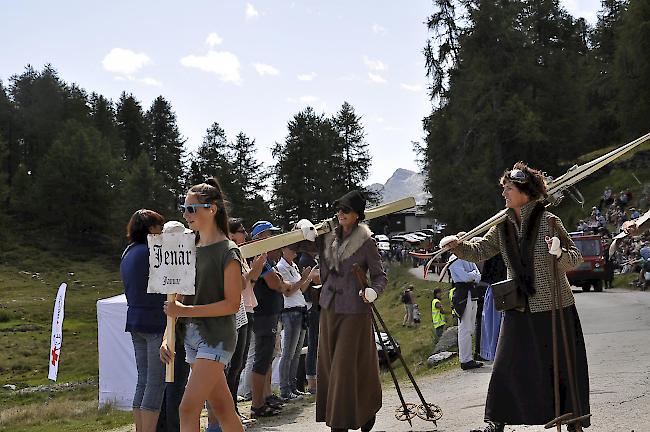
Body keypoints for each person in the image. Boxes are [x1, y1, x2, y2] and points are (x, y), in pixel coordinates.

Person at [440, 162, 589, 432]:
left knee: (561, 365)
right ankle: (496, 421)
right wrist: (458, 246)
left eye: (509, 188)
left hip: (554, 305)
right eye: (504, 188)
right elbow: (480, 251)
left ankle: (573, 418)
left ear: (524, 191)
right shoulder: (501, 225)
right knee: (506, 363)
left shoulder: (550, 222)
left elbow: (575, 259)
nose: (504, 193)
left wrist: (558, 253)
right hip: (518, 305)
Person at [160, 178, 244, 432]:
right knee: (223, 409)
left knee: (188, 407)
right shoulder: (190, 249)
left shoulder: (228, 251)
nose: (186, 214)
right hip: (193, 337)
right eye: (183, 208)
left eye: (191, 208)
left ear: (212, 209)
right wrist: (168, 336)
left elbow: (232, 304)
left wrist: (185, 312)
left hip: (217, 337)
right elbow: (180, 300)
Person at [316, 190, 388, 432]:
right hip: (329, 307)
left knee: (345, 364)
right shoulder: (329, 237)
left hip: (355, 309)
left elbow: (379, 276)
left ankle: (342, 422)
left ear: (357, 215)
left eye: (345, 210)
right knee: (329, 363)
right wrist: (303, 228)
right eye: (338, 209)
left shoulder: (367, 242)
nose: (340, 214)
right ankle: (360, 414)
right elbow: (300, 245)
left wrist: (374, 292)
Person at [121, 209, 166, 432]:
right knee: (155, 383)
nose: (163, 231)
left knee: (143, 379)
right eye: (160, 226)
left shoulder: (128, 252)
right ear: (151, 229)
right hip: (155, 321)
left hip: (135, 320)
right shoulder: (152, 251)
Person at [248, 220, 290, 418]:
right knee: (262, 358)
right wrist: (280, 283)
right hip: (263, 313)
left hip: (269, 313)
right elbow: (276, 283)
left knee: (267, 358)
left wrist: (281, 283)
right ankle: (257, 404)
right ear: (260, 237)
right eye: (270, 234)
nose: (274, 238)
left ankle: (263, 398)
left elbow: (281, 283)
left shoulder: (268, 259)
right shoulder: (261, 257)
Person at [276, 245, 316, 401]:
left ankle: (293, 386)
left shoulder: (293, 266)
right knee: (288, 352)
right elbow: (289, 290)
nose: (294, 252)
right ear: (283, 250)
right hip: (290, 311)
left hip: (300, 309)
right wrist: (302, 278)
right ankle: (285, 389)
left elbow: (301, 289)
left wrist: (308, 277)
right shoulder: (281, 267)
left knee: (296, 351)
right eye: (291, 249)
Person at [448, 254, 483, 370]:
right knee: (464, 327)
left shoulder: (468, 256)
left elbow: (478, 276)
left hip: (471, 293)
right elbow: (465, 277)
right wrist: (473, 275)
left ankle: (469, 357)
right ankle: (465, 360)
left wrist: (472, 275)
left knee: (470, 327)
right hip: (462, 294)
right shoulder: (454, 259)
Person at [297, 249, 321, 394]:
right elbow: (315, 281)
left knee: (314, 345)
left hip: (315, 305)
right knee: (313, 345)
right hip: (312, 305)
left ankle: (315, 380)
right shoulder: (306, 261)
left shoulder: (309, 259)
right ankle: (312, 382)